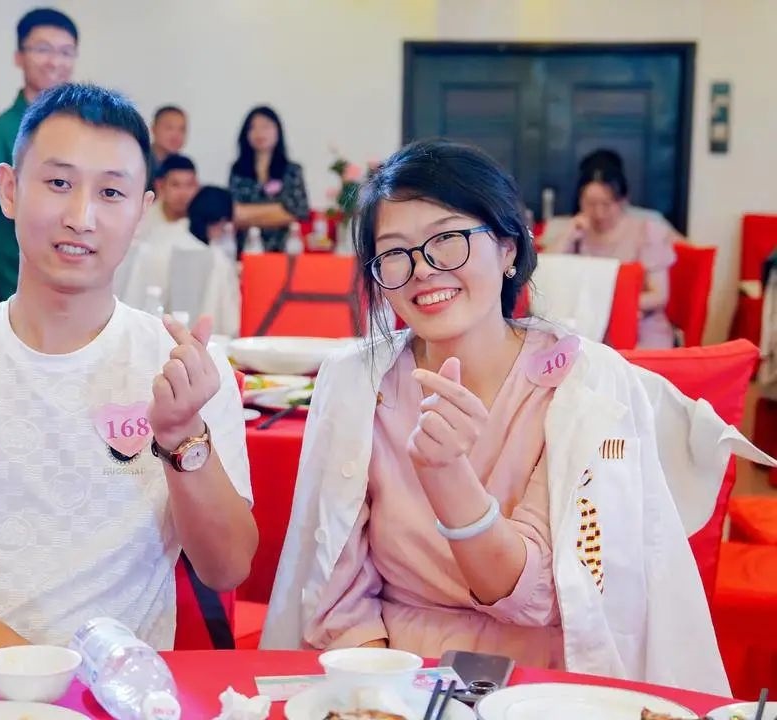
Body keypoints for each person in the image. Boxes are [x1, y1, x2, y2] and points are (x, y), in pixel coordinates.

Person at [260, 139, 774, 695]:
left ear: (508, 248)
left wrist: (448, 475)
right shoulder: (356, 384)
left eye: (448, 239)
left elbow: (540, 596)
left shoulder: (582, 388)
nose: (422, 269)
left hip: (544, 683)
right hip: (392, 671)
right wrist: (387, 696)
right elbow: (338, 598)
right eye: (394, 253)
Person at [0, 83, 256, 675]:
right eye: (59, 183)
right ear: (9, 190)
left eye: (111, 192)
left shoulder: (185, 368)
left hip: (107, 697)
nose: (80, 217)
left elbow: (227, 568)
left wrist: (181, 437)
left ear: (141, 211)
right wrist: (37, 674)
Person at [0, 8, 78, 305]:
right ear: (19, 57)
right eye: (43, 49)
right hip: (12, 293)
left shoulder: (79, 132)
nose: (55, 61)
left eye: (66, 52)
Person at [542, 151, 682, 348]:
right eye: (590, 204)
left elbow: (659, 295)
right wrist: (568, 236)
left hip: (639, 328)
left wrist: (611, 306)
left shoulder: (646, 231)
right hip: (586, 329)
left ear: (623, 200)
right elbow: (543, 276)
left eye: (606, 205)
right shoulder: (577, 231)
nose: (599, 213)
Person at [122, 186, 240, 337]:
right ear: (220, 222)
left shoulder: (160, 234)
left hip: (137, 326)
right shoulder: (216, 260)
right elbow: (228, 322)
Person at [228, 106, 309, 252]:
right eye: (253, 128)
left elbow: (299, 212)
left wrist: (249, 216)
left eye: (265, 127)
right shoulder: (238, 170)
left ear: (278, 131)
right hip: (246, 251)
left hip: (283, 251)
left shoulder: (292, 170)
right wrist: (279, 210)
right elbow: (235, 213)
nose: (259, 133)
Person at [139, 154, 198, 238]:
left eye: (189, 185)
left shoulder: (204, 220)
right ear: (160, 186)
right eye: (175, 185)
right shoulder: (143, 219)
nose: (183, 193)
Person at [149, 105, 188, 183]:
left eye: (182, 129)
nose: (176, 135)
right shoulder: (139, 161)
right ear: (154, 129)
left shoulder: (185, 166)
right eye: (169, 128)